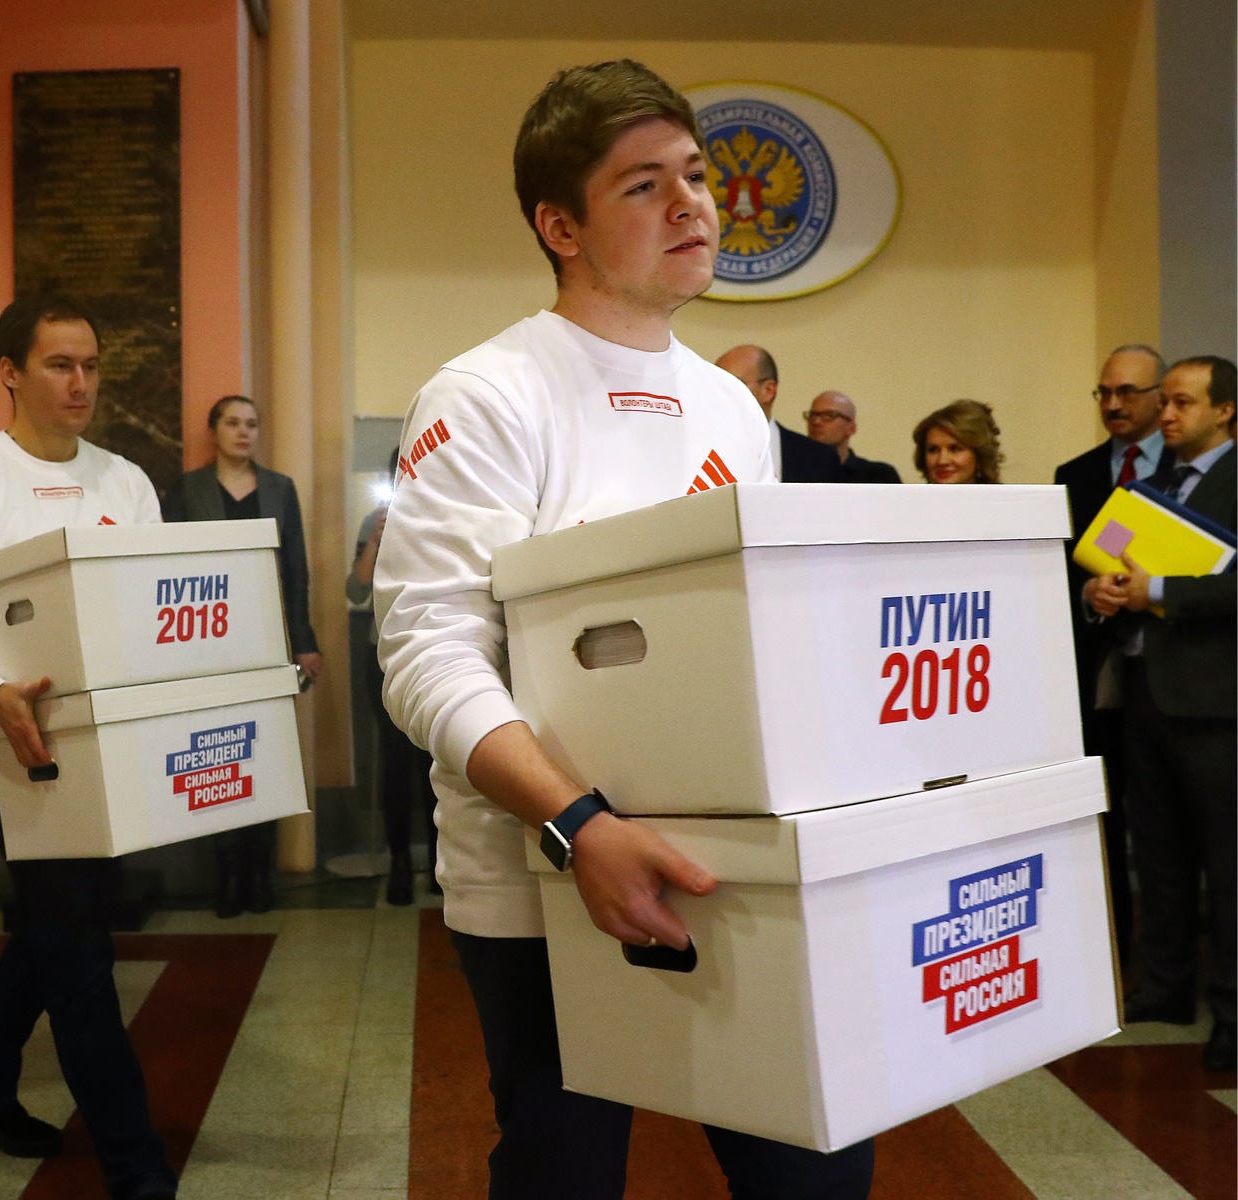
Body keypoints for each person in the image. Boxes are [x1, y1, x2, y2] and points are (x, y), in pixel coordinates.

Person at [374, 60, 876, 1199]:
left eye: (694, 175)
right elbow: (426, 655)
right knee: (563, 1172)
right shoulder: (486, 393)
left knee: (812, 1168)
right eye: (642, 186)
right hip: (543, 878)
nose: (694, 203)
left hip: (721, 867)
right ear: (559, 223)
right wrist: (576, 826)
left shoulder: (729, 412)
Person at [0, 297, 177, 1197]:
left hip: (111, 748)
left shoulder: (127, 482)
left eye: (92, 365)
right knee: (80, 949)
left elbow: (155, 608)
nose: (82, 383)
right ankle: (137, 1168)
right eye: (60, 365)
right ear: (10, 371)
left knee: (63, 928)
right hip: (14, 752)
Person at [1085, 354, 1235, 1073]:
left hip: (1216, 701)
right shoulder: (1155, 484)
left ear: (1225, 411)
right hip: (1143, 688)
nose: (1165, 415)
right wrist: (1103, 595)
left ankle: (1232, 1011)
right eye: (1165, 402)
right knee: (1160, 853)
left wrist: (1161, 591)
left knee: (1228, 862)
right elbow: (1111, 562)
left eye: (1181, 403)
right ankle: (1167, 987)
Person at [164, 394, 321, 917]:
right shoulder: (188, 489)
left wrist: (304, 640)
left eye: (252, 423)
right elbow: (167, 569)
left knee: (264, 752)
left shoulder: (280, 488)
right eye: (232, 423)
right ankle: (228, 876)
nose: (243, 432)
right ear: (213, 432)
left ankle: (260, 875)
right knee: (216, 751)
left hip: (268, 636)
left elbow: (296, 570)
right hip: (207, 638)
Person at [1056, 344, 1173, 966]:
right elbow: (1057, 570)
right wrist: (1087, 592)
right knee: (1107, 818)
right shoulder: (1073, 474)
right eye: (1104, 392)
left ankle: (1168, 963)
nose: (1114, 404)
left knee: (1168, 829)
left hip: (1180, 671)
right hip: (1102, 672)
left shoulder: (1189, 471)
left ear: (1159, 396)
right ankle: (1112, 958)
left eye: (1128, 392)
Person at [347, 454, 438, 906]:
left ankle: (441, 861)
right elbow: (357, 590)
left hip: (436, 649)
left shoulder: (444, 510)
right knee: (396, 762)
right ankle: (400, 862)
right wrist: (376, 540)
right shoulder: (375, 520)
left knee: (438, 758)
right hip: (382, 653)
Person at [716, 345, 844, 482]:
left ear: (768, 390)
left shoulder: (818, 457)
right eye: (716, 385)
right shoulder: (699, 448)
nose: (719, 394)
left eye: (733, 384)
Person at [805, 390, 901, 483]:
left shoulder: (879, 476)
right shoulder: (794, 471)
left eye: (830, 415)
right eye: (813, 415)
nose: (816, 422)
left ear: (851, 428)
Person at [912, 399, 1002, 484]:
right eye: (933, 450)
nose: (942, 461)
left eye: (955, 449)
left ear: (979, 456)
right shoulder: (911, 500)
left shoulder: (1004, 499)